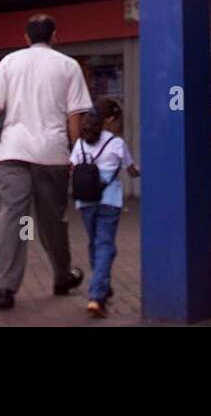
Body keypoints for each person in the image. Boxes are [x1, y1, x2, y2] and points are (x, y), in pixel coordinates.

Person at [0, 14, 92, 311]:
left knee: (13, 216)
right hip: (51, 154)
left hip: (12, 152)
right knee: (53, 220)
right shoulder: (68, 65)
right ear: (55, 36)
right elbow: (74, 116)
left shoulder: (10, 62)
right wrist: (77, 151)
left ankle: (5, 288)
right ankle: (62, 276)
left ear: (26, 37)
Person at [71, 97, 139, 318]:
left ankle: (102, 284)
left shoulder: (80, 142)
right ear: (110, 119)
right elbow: (131, 170)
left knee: (96, 244)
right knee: (106, 246)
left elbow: (71, 167)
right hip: (109, 201)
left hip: (85, 202)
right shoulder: (116, 143)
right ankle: (97, 295)